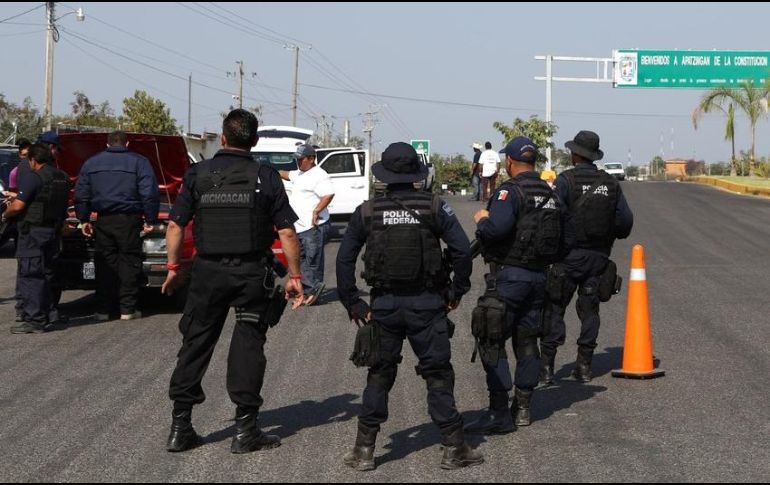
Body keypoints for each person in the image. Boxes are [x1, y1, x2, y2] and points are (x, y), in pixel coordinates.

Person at [161, 109, 304, 454]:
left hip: (207, 273)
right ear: (254, 141)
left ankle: (180, 428)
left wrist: (173, 268)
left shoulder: (197, 174)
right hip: (251, 274)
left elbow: (176, 225)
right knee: (248, 345)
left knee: (196, 342)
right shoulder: (266, 176)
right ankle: (245, 431)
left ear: (222, 138)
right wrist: (296, 276)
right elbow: (287, 232)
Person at [336, 142, 483, 471]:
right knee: (437, 374)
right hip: (427, 304)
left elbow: (344, 259)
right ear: (417, 174)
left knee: (379, 374)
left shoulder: (367, 211)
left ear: (383, 175)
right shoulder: (435, 206)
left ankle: (363, 450)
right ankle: (454, 447)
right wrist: (456, 291)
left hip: (384, 306)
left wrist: (353, 302)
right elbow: (462, 251)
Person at [467, 136, 571, 434]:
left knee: (491, 337)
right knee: (527, 341)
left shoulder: (509, 191)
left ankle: (499, 412)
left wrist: (482, 219)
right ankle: (523, 407)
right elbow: (567, 240)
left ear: (510, 162)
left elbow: (495, 230)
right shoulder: (552, 194)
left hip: (509, 277)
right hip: (539, 278)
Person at [539, 131, 633, 385]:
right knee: (590, 311)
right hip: (598, 257)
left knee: (555, 309)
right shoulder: (611, 183)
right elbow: (625, 222)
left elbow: (550, 216)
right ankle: (584, 367)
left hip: (568, 257)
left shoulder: (566, 181)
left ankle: (546, 368)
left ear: (574, 154)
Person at [75, 131, 160, 321]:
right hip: (129, 220)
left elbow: (81, 194)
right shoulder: (139, 162)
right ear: (127, 143)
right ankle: (127, 309)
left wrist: (84, 219)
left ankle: (103, 310)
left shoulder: (91, 163)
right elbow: (149, 193)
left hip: (103, 220)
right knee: (129, 262)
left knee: (105, 263)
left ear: (107, 144)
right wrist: (150, 219)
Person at [3, 143, 70, 334]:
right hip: (52, 232)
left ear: (33, 160)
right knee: (47, 274)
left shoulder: (34, 177)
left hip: (33, 233)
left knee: (31, 275)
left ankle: (34, 319)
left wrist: (5, 215)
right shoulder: (62, 177)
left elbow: (18, 206)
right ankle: (50, 314)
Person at [278, 143, 334, 306]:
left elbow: (328, 194)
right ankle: (308, 289)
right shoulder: (299, 174)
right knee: (300, 258)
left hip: (313, 226)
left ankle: (313, 291)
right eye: (297, 159)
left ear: (311, 158)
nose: (298, 162)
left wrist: (317, 210)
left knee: (312, 260)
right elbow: (285, 174)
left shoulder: (319, 175)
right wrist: (269, 171)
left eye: (301, 159)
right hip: (299, 226)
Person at [7, 138, 31, 323]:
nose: (26, 159)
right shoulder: (16, 172)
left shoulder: (40, 173)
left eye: (28, 155)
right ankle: (21, 305)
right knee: (23, 265)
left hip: (34, 223)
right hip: (22, 223)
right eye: (23, 155)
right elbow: (13, 198)